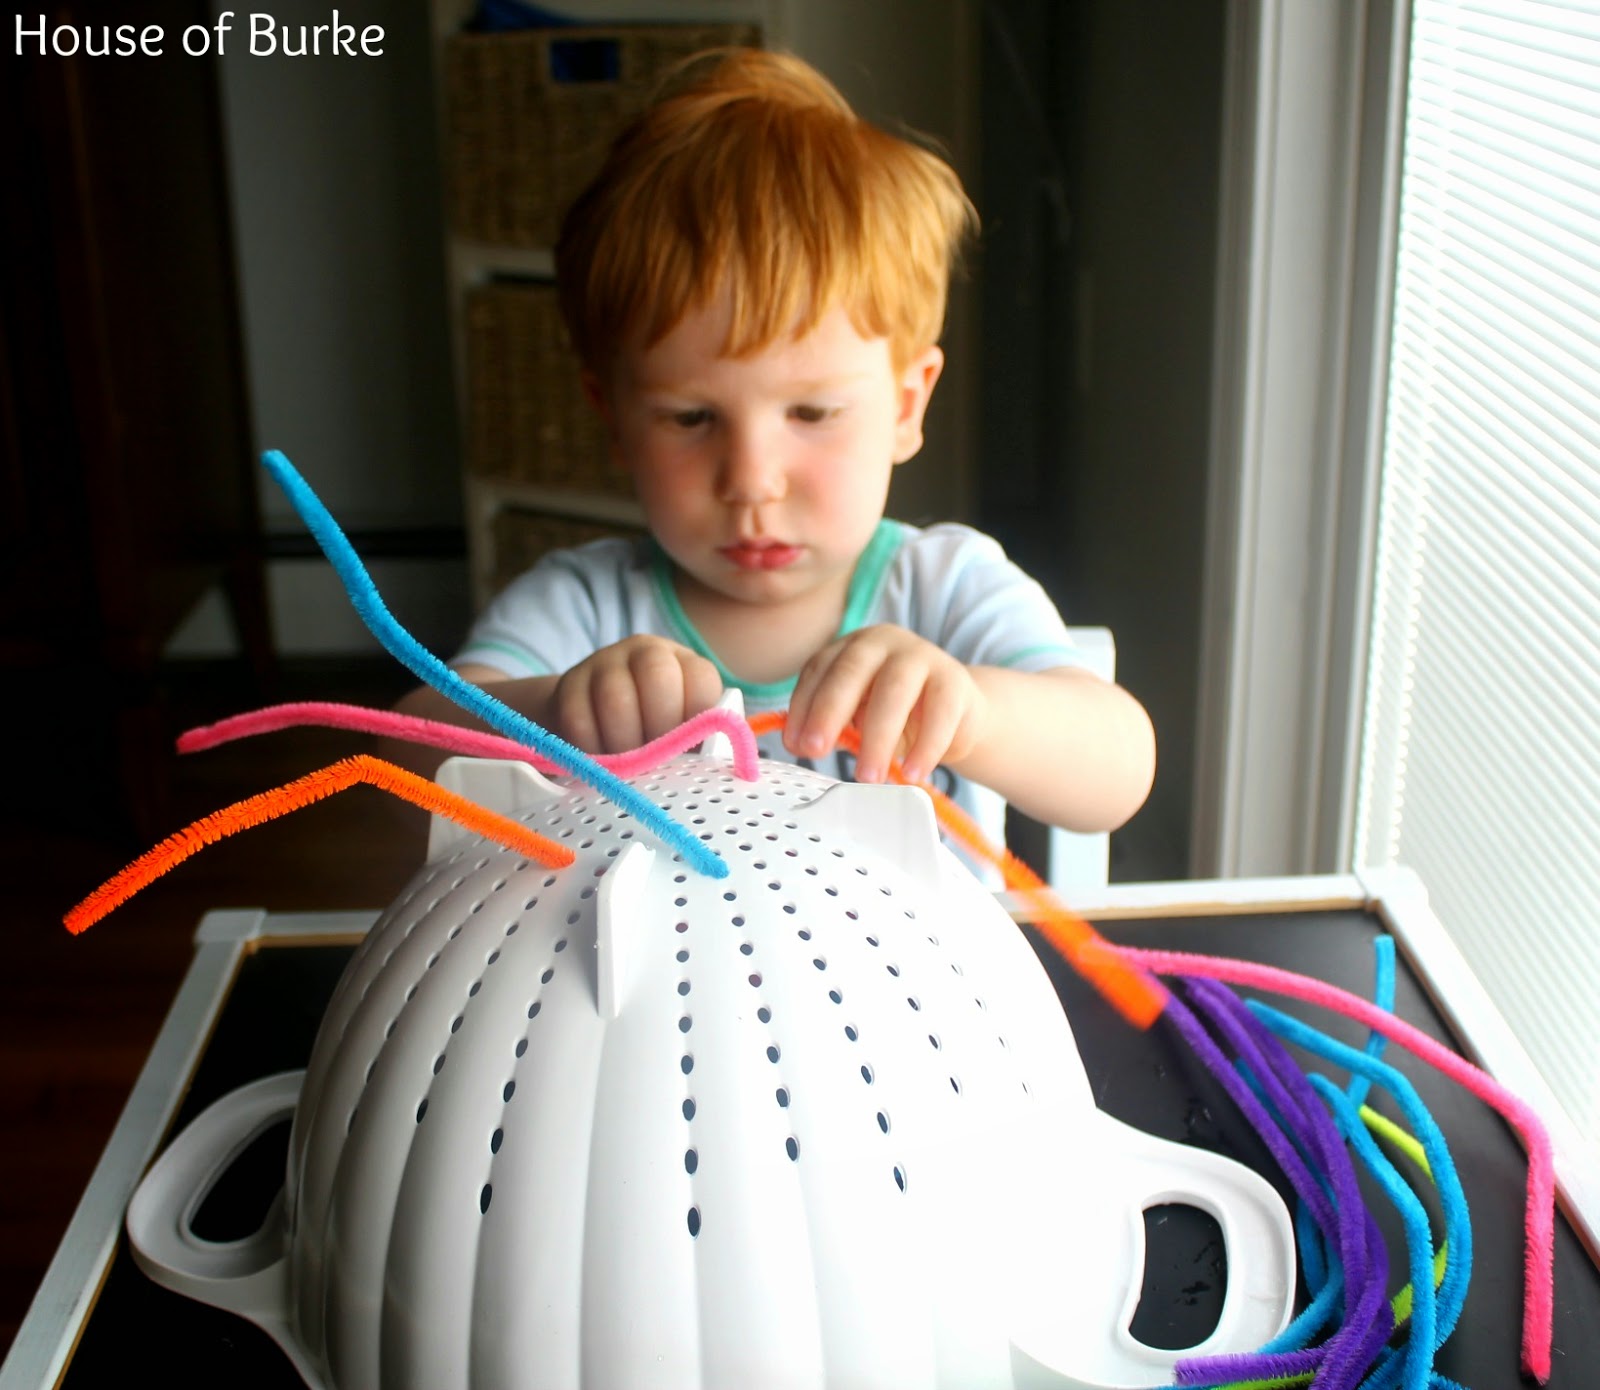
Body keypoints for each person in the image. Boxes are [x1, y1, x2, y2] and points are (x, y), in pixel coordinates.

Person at [393, 47, 1154, 855]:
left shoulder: (946, 589)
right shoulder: (583, 606)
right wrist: (552, 714)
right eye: (691, 418)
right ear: (613, 419)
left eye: (812, 411)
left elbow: (1119, 772)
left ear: (906, 405)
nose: (752, 481)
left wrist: (976, 712)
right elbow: (401, 765)